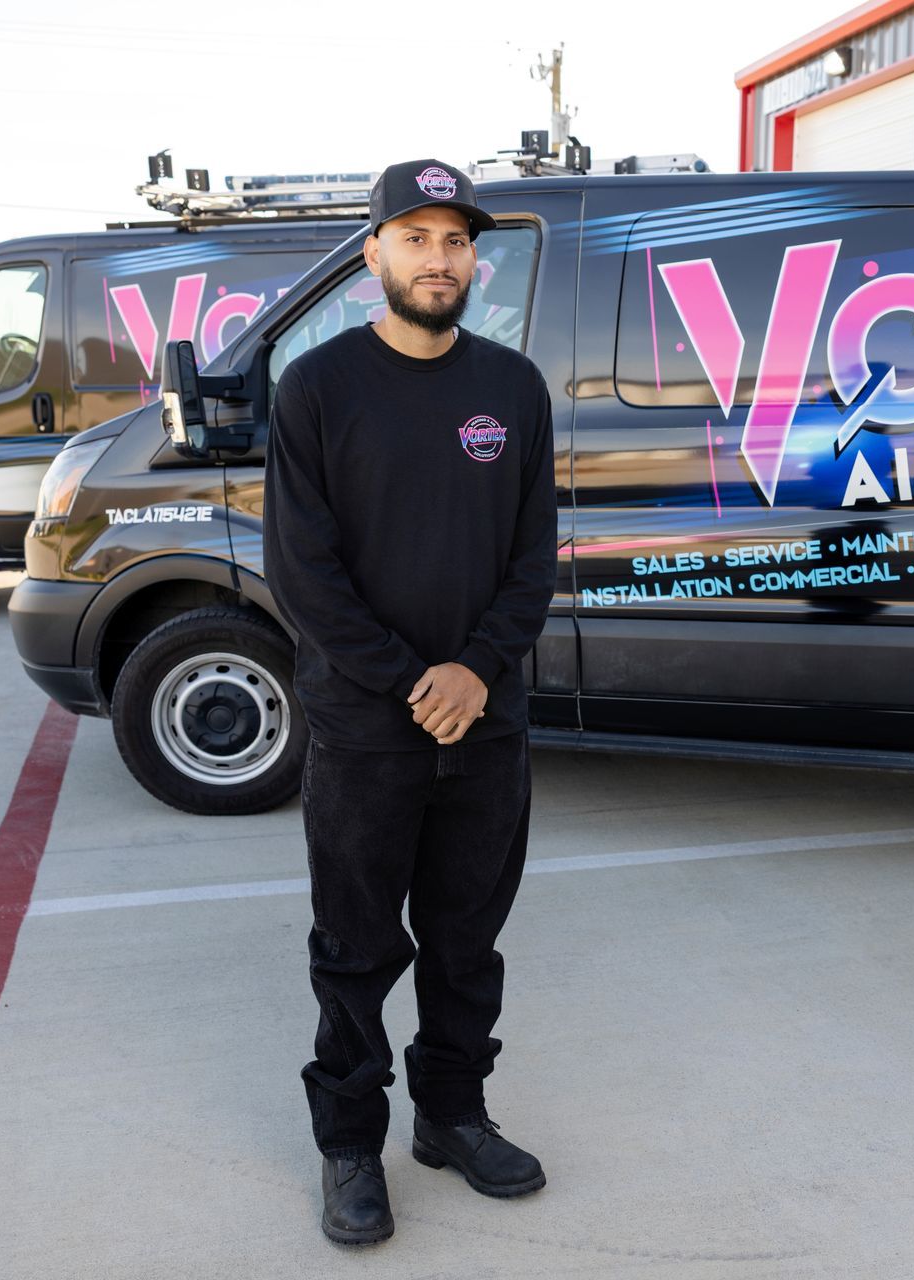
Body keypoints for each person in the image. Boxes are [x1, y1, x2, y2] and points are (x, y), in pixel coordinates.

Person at [264, 159, 557, 1246]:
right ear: (373, 251)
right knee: (353, 944)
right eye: (417, 237)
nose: (440, 259)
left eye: (456, 240)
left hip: (488, 728)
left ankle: (452, 1115)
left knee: (466, 938)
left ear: (474, 259)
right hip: (364, 731)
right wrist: (409, 678)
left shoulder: (513, 389)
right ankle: (350, 1142)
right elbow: (305, 573)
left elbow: (534, 560)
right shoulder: (318, 388)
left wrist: (476, 670)